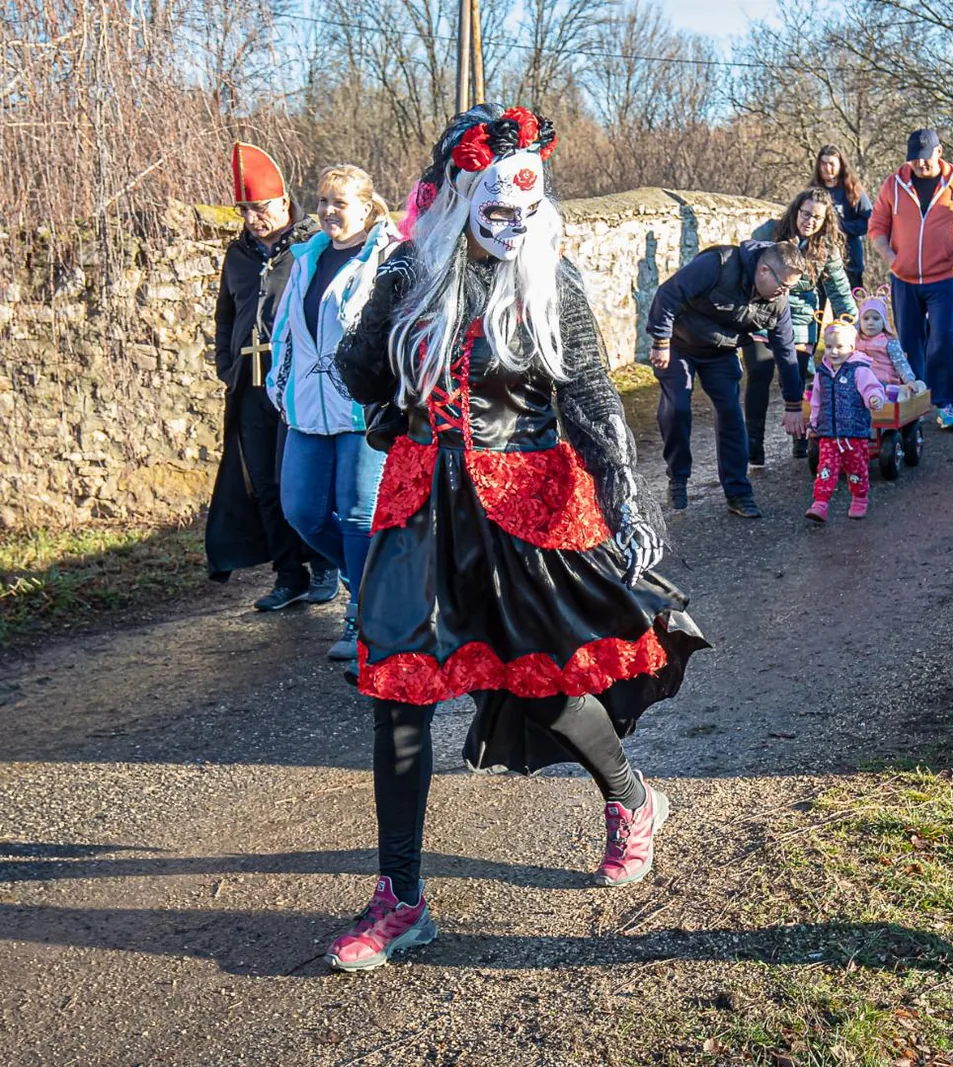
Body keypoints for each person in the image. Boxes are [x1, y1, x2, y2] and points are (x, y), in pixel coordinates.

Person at [327, 103, 710, 972]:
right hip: (420, 504)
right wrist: (387, 297)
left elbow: (592, 400)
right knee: (400, 694)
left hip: (527, 503)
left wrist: (626, 499)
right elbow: (358, 375)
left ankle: (631, 795)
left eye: (523, 211)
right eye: (493, 210)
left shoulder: (556, 281)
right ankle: (400, 899)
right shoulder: (410, 270)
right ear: (459, 196)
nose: (510, 227)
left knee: (542, 686)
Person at [269, 164, 399, 659]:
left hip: (362, 409)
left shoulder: (387, 257)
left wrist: (391, 396)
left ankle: (361, 616)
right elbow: (284, 333)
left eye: (338, 202)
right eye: (322, 201)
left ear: (366, 207)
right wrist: (279, 390)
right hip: (306, 407)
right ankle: (363, 577)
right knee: (301, 511)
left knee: (359, 514)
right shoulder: (306, 258)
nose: (327, 211)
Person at [206, 143, 337, 610]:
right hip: (248, 386)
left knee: (300, 480)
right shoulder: (237, 255)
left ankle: (323, 566)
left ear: (283, 201)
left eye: (261, 208)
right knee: (263, 483)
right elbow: (225, 315)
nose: (253, 219)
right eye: (245, 210)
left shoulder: (311, 246)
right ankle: (288, 575)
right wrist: (227, 365)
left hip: (296, 384)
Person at [646, 240, 809, 517]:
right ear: (763, 271)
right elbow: (669, 293)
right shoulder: (719, 264)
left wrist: (794, 403)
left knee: (731, 415)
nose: (786, 293)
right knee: (678, 408)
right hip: (679, 344)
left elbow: (786, 351)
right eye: (783, 286)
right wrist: (661, 339)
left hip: (720, 353)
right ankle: (678, 478)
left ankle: (738, 492)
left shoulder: (777, 303)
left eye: (791, 288)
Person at [868, 128, 953, 432]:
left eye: (925, 158)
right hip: (903, 277)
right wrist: (890, 256)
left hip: (944, 275)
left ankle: (946, 403)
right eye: (914, 160)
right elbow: (876, 226)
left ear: (939, 152)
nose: (920, 165)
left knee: (943, 338)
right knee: (909, 342)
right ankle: (915, 402)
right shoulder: (894, 184)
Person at [745, 188, 858, 467]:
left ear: (824, 221)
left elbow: (839, 289)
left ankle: (801, 437)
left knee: (793, 377)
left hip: (800, 321)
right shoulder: (769, 233)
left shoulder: (826, 249)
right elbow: (748, 264)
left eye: (817, 217)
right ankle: (753, 445)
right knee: (758, 372)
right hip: (762, 313)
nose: (809, 220)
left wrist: (855, 322)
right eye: (806, 214)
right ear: (796, 211)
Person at [805, 321, 887, 523]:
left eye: (839, 347)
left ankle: (859, 498)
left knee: (856, 467)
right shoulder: (822, 373)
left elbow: (871, 388)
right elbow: (816, 401)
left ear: (851, 347)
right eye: (830, 346)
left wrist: (874, 398)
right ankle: (820, 504)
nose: (833, 352)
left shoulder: (859, 370)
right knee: (826, 468)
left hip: (853, 433)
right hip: (828, 433)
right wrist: (813, 424)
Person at [813, 145, 873, 293]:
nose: (827, 168)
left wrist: (840, 228)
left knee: (848, 312)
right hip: (818, 260)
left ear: (840, 165)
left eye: (831, 163)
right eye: (823, 163)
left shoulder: (853, 191)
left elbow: (868, 221)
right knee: (815, 311)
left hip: (849, 262)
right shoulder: (812, 192)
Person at [852, 286, 920, 391]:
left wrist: (909, 380)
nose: (870, 323)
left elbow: (900, 363)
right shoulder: (855, 340)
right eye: (866, 318)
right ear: (859, 321)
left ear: (883, 321)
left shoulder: (888, 342)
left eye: (876, 318)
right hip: (860, 384)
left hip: (884, 384)